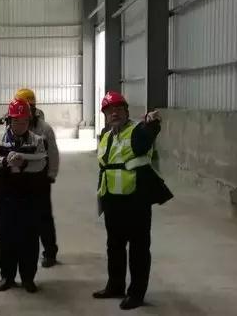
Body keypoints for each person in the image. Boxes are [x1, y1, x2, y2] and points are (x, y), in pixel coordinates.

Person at [92, 91, 173, 311]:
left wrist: (152, 122)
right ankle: (115, 286)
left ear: (126, 111)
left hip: (136, 199)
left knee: (138, 248)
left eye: (119, 109)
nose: (114, 113)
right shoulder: (106, 135)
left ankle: (136, 293)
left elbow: (148, 135)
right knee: (114, 246)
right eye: (110, 110)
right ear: (105, 115)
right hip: (112, 199)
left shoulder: (137, 131)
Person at [0, 98, 48, 294]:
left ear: (29, 121)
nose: (21, 125)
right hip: (4, 197)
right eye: (16, 121)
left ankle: (28, 278)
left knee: (29, 238)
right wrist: (5, 162)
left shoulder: (37, 141)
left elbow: (41, 163)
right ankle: (7, 276)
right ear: (9, 121)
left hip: (29, 197)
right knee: (5, 237)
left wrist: (24, 164)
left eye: (24, 121)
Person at [14, 88, 60, 268]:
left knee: (43, 216)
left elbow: (53, 153)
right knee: (21, 217)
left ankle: (50, 252)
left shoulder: (44, 129)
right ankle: (23, 252)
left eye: (28, 107)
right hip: (20, 177)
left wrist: (52, 174)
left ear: (33, 108)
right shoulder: (13, 125)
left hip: (40, 178)